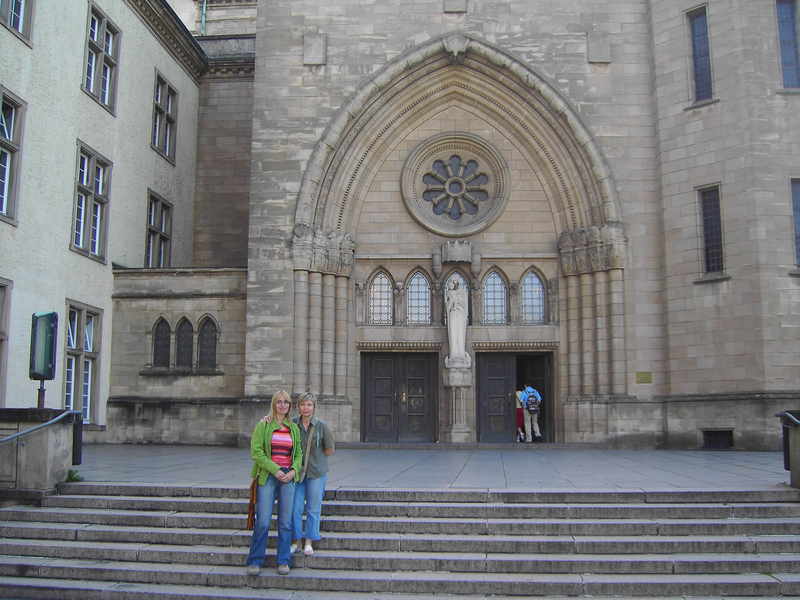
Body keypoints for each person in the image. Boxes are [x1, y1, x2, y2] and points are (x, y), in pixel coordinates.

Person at [245, 390, 303, 576]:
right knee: (263, 521)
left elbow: (299, 454)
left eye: (286, 402)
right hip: (269, 475)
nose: (282, 405)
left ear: (290, 406)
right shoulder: (263, 425)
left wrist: (293, 471)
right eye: (279, 402)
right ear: (274, 404)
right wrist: (275, 469)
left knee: (285, 522)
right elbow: (256, 452)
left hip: (288, 477)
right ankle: (255, 560)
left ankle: (284, 560)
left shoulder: (293, 428)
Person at [290, 392, 335, 556]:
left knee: (313, 508)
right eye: (303, 404)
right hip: (297, 472)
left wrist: (315, 457)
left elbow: (329, 449)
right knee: (294, 508)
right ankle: (296, 541)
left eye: (309, 405)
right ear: (298, 407)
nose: (306, 408)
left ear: (314, 407)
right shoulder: (292, 424)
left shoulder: (321, 426)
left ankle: (309, 541)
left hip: (316, 472)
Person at [445, 278, 470, 368]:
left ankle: (461, 354)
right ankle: (453, 354)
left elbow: (465, 305)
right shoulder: (449, 293)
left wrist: (458, 301)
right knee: (453, 334)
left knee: (460, 334)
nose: (451, 285)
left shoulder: (462, 292)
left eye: (453, 283)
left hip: (460, 315)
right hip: (452, 314)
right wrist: (451, 301)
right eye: (450, 283)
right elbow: (447, 307)